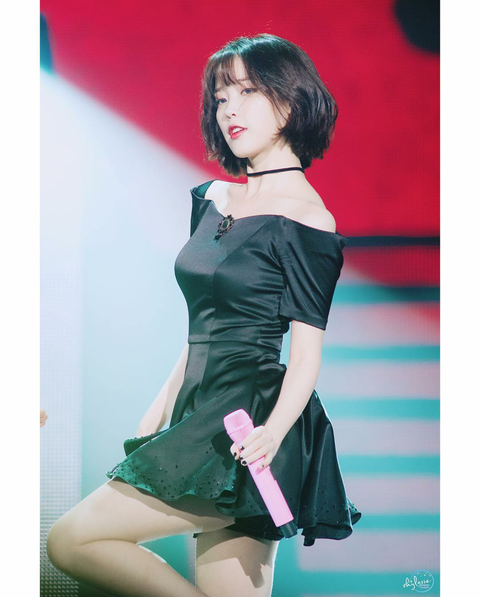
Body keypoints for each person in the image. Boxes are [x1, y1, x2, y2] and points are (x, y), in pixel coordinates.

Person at [46, 33, 361, 597]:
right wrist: (162, 405)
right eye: (220, 97)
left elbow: (305, 358)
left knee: (72, 540)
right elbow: (204, 328)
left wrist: (272, 434)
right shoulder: (212, 199)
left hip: (249, 421)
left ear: (290, 100)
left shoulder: (309, 221)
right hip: (199, 410)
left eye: (247, 91)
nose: (230, 109)